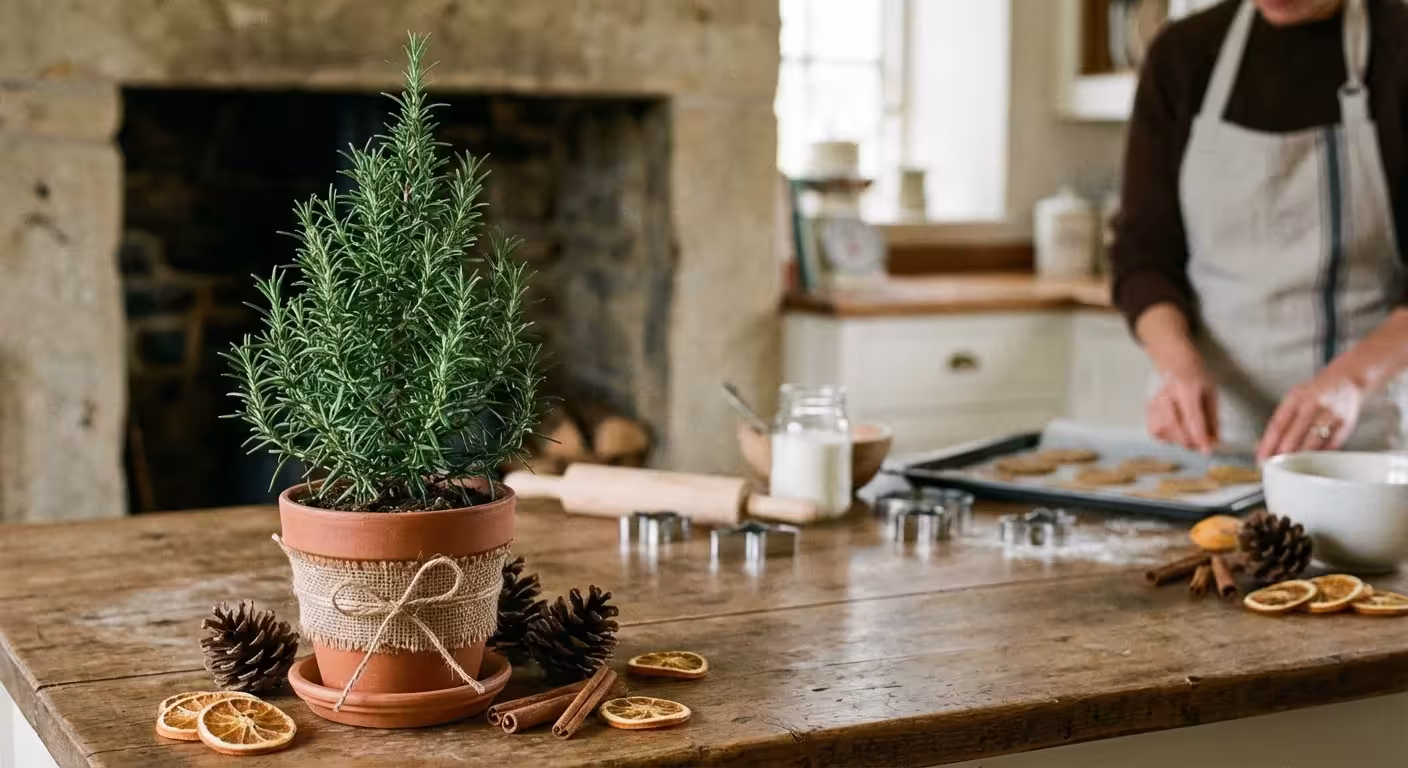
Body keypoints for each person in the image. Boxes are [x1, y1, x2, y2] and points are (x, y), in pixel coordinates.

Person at [1112, 0, 1408, 461]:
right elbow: (1142, 251)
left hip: (1359, 438)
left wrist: (1351, 380)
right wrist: (1176, 365)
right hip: (1205, 432)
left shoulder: (1399, 47)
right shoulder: (1184, 54)